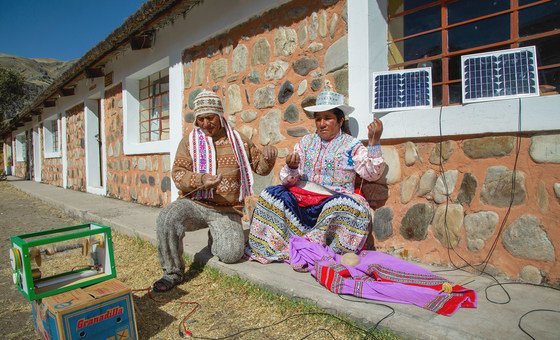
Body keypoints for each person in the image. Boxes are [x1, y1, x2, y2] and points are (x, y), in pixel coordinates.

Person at [153, 90, 277, 292]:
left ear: (219, 115)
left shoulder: (239, 140)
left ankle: (217, 234)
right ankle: (172, 273)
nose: (205, 123)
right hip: (195, 204)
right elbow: (177, 174)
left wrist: (269, 157)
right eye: (200, 119)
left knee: (230, 254)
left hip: (226, 210)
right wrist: (200, 179)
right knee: (168, 217)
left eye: (209, 118)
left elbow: (260, 168)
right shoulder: (188, 142)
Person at [246, 90, 386, 264]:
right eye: (318, 119)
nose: (322, 123)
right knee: (269, 195)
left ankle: (319, 250)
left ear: (340, 121)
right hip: (303, 196)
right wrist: (292, 167)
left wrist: (374, 142)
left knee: (352, 208)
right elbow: (288, 179)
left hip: (333, 199)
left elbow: (372, 173)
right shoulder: (306, 142)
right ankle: (275, 246)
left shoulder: (351, 145)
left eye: (328, 118)